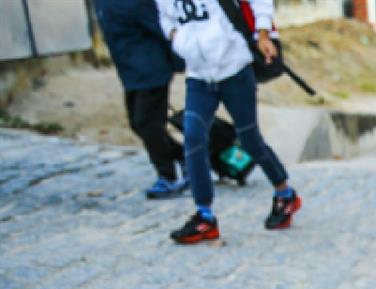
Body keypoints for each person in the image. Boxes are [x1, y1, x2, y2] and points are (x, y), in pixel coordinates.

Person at [154, 0, 301, 244]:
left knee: (249, 140)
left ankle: (284, 193)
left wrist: (263, 34)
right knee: (193, 137)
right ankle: (204, 215)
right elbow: (165, 17)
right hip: (199, 75)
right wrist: (177, 38)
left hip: (235, 68)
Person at [94, 0, 188, 199]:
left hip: (152, 70)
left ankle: (169, 176)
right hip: (131, 73)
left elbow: (163, 29)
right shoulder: (102, 3)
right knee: (138, 124)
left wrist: (179, 61)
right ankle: (185, 156)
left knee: (148, 124)